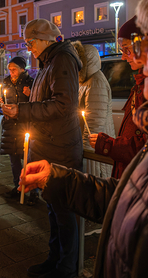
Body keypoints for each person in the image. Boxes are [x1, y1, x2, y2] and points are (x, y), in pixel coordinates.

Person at [18, 69, 148, 277]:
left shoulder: (93, 81)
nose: (141, 74)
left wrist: (105, 145)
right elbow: (124, 199)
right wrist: (56, 179)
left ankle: (66, 266)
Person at [3, 19, 83, 278]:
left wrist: (22, 110)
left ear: (45, 38)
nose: (29, 48)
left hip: (60, 149)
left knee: (63, 211)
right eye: (27, 43)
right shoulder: (49, 61)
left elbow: (62, 105)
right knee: (52, 209)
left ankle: (66, 268)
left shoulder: (62, 60)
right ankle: (54, 259)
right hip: (49, 145)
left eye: (31, 42)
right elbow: (43, 100)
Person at [89, 16, 147, 179]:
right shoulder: (140, 84)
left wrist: (108, 145)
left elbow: (143, 148)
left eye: (127, 49)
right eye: (121, 50)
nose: (123, 57)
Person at [72, 41, 115, 178]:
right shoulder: (84, 81)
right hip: (88, 145)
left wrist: (86, 152)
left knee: (96, 183)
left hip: (95, 149)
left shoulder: (95, 81)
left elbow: (94, 121)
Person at [0, 56, 34, 200]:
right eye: (9, 69)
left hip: (25, 126)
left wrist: (31, 96)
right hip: (11, 127)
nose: (11, 72)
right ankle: (18, 186)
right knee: (14, 159)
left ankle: (33, 192)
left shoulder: (31, 83)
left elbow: (38, 104)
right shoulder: (6, 83)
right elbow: (3, 106)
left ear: (22, 69)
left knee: (29, 160)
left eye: (14, 69)